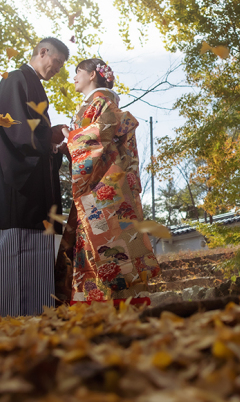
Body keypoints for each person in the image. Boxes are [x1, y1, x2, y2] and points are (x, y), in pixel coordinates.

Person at [0, 37, 69, 319]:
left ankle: (34, 318)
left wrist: (52, 144)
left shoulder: (32, 85)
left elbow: (33, 133)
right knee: (14, 252)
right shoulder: (15, 79)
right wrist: (48, 135)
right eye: (58, 62)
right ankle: (3, 320)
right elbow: (13, 126)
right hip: (18, 184)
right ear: (43, 52)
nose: (58, 69)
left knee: (36, 253)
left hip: (34, 182)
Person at [54, 59, 161, 304]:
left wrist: (69, 139)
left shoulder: (101, 102)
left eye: (77, 72)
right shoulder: (102, 103)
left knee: (103, 244)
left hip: (100, 187)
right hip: (110, 185)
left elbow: (92, 140)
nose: (74, 78)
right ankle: (119, 302)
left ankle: (102, 305)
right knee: (114, 242)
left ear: (92, 75)